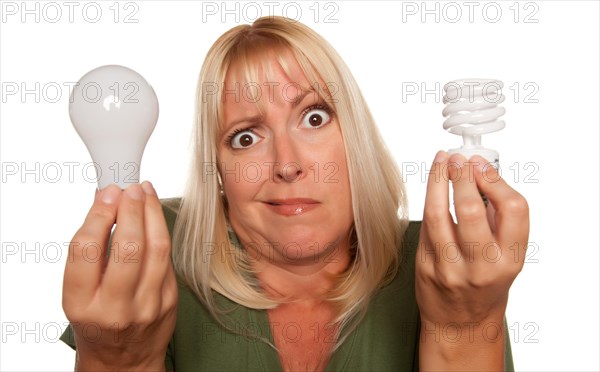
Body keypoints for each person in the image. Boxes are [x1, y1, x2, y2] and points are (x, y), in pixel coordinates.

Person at [61, 16, 529, 371]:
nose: (287, 165)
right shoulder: (156, 250)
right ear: (219, 170)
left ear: (356, 138)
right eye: (246, 137)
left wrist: (463, 328)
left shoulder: (448, 267)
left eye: (314, 117)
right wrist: (115, 359)